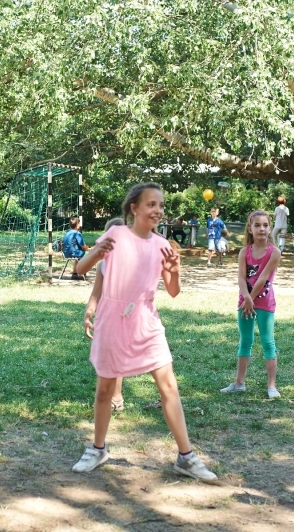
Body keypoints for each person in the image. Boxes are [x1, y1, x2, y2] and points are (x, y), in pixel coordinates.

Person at [71, 182, 218, 484]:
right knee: (104, 390)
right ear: (134, 208)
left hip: (146, 320)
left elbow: (174, 292)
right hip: (112, 319)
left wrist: (175, 269)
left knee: (168, 386)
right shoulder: (116, 234)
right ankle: (98, 449)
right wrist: (97, 250)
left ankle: (186, 458)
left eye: (161, 205)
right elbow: (80, 269)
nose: (158, 210)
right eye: (151, 204)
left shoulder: (162, 245)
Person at [221, 210, 282, 398]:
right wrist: (246, 299)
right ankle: (239, 383)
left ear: (270, 228)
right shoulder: (243, 252)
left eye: (265, 225)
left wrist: (251, 298)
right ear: (250, 229)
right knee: (245, 341)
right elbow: (240, 278)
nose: (261, 229)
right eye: (257, 225)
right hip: (244, 303)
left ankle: (272, 386)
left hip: (264, 303)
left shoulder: (275, 252)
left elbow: (263, 278)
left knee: (268, 342)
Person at [83, 218, 126, 411]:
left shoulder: (131, 262)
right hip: (105, 317)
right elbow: (96, 293)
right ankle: (110, 394)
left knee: (116, 356)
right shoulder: (103, 264)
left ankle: (116, 397)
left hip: (126, 316)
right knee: (106, 357)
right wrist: (89, 312)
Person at [62, 217, 90, 281]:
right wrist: (89, 249)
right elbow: (83, 246)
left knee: (77, 256)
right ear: (77, 225)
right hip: (73, 253)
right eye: (79, 223)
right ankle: (82, 272)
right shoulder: (77, 233)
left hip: (65, 253)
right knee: (83, 253)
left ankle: (74, 274)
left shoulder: (67, 232)